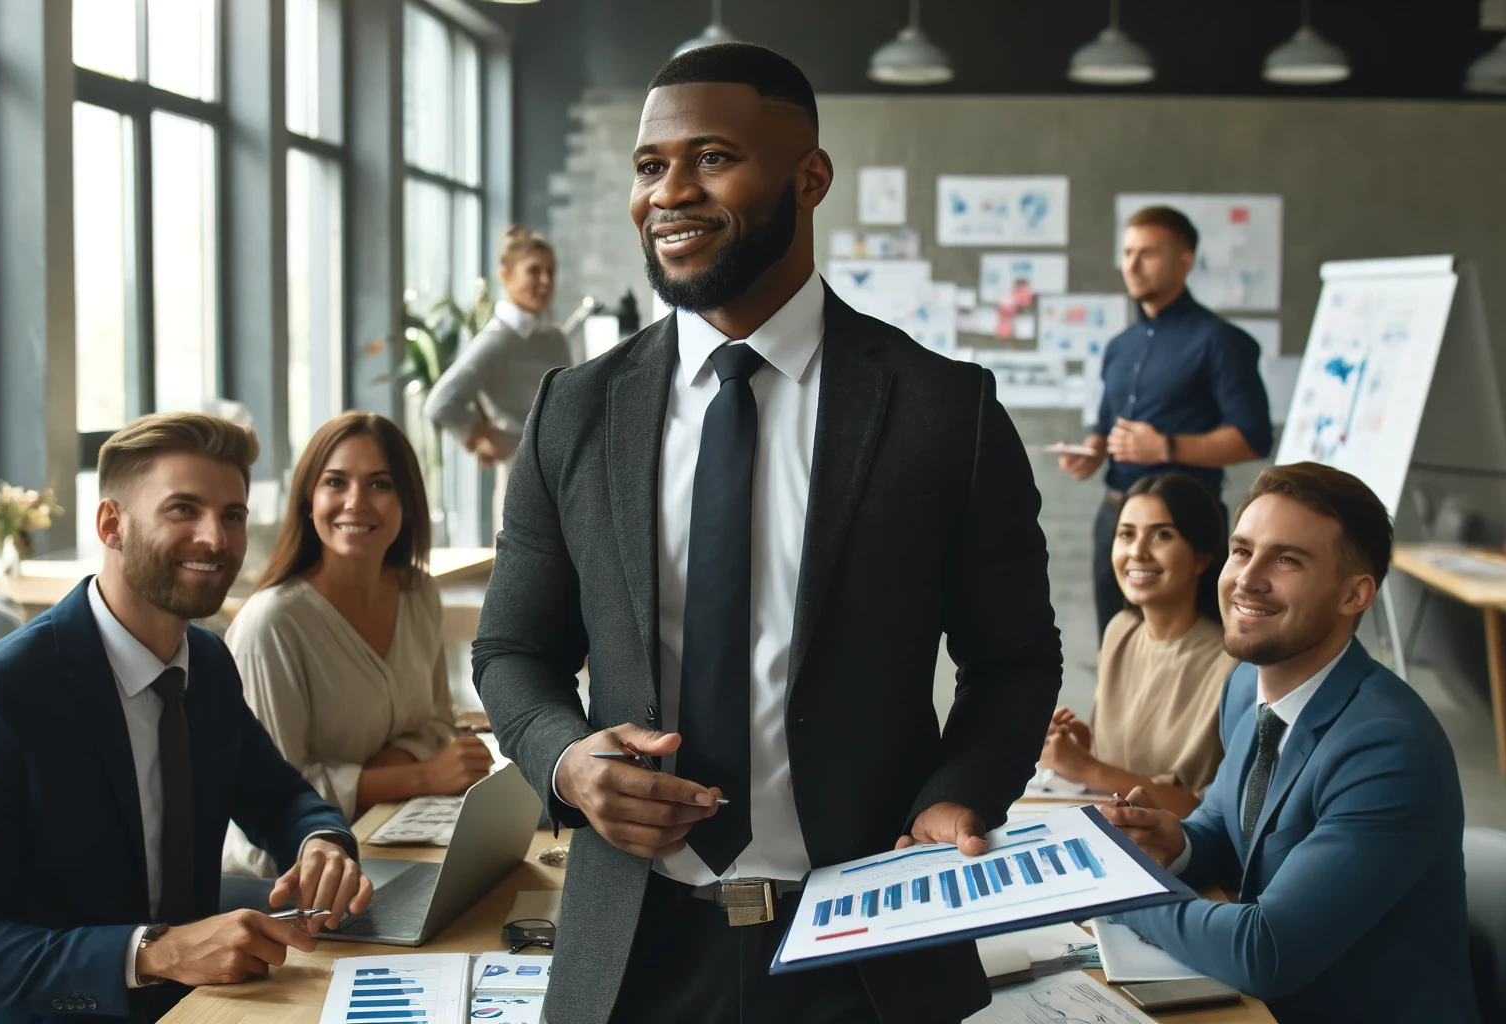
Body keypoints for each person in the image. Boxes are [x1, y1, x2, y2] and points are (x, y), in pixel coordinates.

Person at [471, 43, 1060, 1024]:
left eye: (712, 157)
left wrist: (960, 795)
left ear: (809, 177)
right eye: (650, 165)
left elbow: (1013, 658)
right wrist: (568, 763)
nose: (670, 192)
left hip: (870, 948)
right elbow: (511, 650)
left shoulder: (943, 411)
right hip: (633, 957)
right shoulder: (573, 410)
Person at [0, 412, 374, 1024]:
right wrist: (155, 952)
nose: (216, 539)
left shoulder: (206, 662)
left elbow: (279, 797)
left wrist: (320, 843)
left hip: (203, 1004)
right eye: (183, 510)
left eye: (232, 516)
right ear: (111, 525)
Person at [1099, 463, 1480, 1024]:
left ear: (1355, 594)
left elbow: (1263, 951)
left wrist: (1120, 893)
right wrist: (1177, 843)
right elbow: (1228, 826)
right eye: (1241, 551)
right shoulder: (1244, 686)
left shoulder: (1387, 749)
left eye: (1286, 560)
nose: (1247, 579)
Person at [222, 411, 494, 875]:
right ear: (308, 500)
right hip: (286, 875)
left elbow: (435, 724)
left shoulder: (418, 594)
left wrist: (379, 771)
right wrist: (419, 775)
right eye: (335, 482)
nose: (356, 502)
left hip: (388, 837)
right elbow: (277, 795)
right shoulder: (272, 623)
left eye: (379, 484)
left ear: (407, 501)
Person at [1058, 205, 1272, 641]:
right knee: (1114, 640)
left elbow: (1254, 438)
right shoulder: (1119, 346)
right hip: (1116, 518)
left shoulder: (1221, 341)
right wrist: (1091, 451)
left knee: (1192, 650)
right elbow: (1105, 427)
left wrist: (1167, 448)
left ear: (1185, 261)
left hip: (1184, 525)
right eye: (1127, 253)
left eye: (1148, 253)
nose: (1132, 265)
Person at [1037, 472, 1236, 815]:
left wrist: (1087, 768)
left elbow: (1207, 811)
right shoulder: (1120, 631)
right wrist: (1083, 750)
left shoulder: (1233, 664)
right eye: (1126, 534)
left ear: (1202, 557)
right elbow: (1122, 772)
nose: (1137, 552)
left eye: (1162, 535)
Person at [424, 225, 570, 528]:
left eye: (550, 272)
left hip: (565, 479)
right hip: (521, 484)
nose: (545, 281)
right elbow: (440, 403)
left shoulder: (554, 337)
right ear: (505, 276)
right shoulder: (497, 340)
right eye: (534, 271)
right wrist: (483, 437)